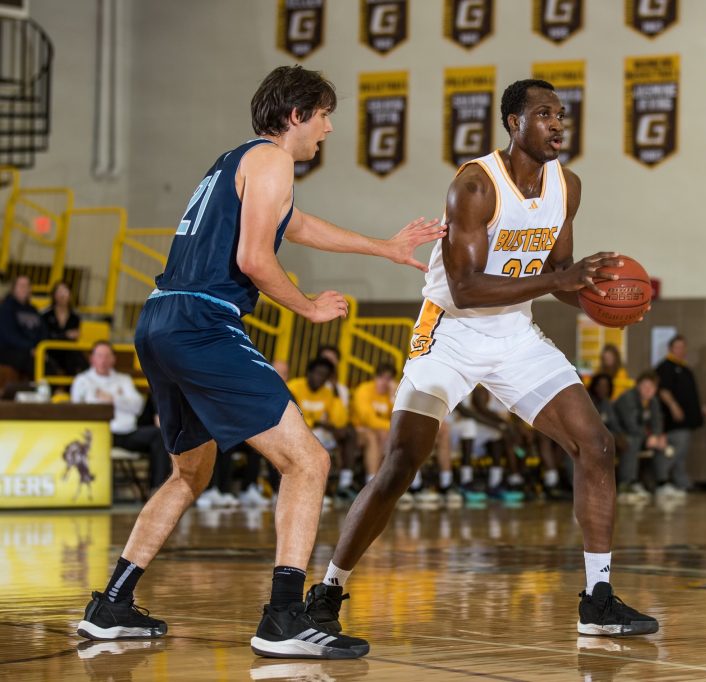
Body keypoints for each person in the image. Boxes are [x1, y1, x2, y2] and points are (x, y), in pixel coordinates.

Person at [74, 65, 443, 661]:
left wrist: (385, 246)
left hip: (161, 320)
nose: (327, 128)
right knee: (309, 460)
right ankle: (283, 617)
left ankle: (112, 603)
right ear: (296, 115)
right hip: (202, 322)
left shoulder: (237, 162)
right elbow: (253, 257)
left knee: (189, 474)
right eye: (323, 115)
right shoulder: (274, 160)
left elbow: (293, 226)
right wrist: (307, 307)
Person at [308, 79, 658, 640]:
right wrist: (559, 280)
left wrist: (596, 297)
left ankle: (597, 597)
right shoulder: (474, 185)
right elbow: (467, 289)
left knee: (596, 444)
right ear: (513, 123)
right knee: (401, 461)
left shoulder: (566, 185)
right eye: (544, 114)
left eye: (561, 114)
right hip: (450, 330)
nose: (557, 124)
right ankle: (326, 591)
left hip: (513, 333)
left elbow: (560, 272)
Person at [70, 341, 171, 491]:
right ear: (92, 358)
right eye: (99, 356)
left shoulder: (124, 380)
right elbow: (79, 409)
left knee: (159, 435)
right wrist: (122, 401)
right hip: (99, 434)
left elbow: (137, 406)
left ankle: (158, 489)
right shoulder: (82, 381)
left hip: (127, 432)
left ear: (113, 359)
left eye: (107, 356)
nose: (103, 360)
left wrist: (112, 399)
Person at [287, 357, 354, 506]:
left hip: (317, 434)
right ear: (309, 373)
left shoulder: (327, 393)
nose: (320, 378)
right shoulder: (294, 387)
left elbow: (339, 420)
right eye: (318, 373)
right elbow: (292, 416)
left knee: (347, 433)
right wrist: (318, 423)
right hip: (294, 432)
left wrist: (335, 390)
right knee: (319, 443)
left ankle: (342, 484)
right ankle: (309, 492)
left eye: (325, 376)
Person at [655, 334, 704, 498]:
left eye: (683, 347)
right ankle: (662, 480)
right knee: (673, 451)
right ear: (670, 349)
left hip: (686, 420)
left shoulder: (684, 368)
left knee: (681, 453)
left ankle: (680, 481)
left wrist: (699, 408)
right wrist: (674, 406)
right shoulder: (665, 367)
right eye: (677, 347)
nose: (681, 350)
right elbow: (663, 391)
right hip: (673, 421)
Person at [613, 372, 667, 504]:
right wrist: (649, 437)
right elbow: (630, 425)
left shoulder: (652, 401)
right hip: (616, 434)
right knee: (631, 442)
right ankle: (627, 484)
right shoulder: (628, 398)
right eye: (645, 386)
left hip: (640, 435)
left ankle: (662, 483)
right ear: (638, 386)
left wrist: (656, 436)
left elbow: (657, 421)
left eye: (652, 387)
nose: (648, 390)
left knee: (662, 443)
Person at [349, 363, 396, 486]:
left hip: (381, 432)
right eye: (381, 378)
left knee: (384, 435)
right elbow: (368, 420)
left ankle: (379, 480)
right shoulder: (364, 390)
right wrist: (393, 427)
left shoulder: (390, 395)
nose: (384, 382)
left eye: (388, 379)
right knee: (376, 436)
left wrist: (393, 398)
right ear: (375, 377)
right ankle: (372, 482)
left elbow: (398, 417)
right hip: (358, 430)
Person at [0, 274, 43, 378]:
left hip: (33, 350)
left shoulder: (34, 310)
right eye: (21, 285)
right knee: (32, 362)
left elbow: (43, 331)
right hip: (9, 350)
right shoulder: (6, 308)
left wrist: (38, 347)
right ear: (13, 288)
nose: (24, 289)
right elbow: (8, 335)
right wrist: (30, 347)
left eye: (27, 286)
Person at [41, 281, 87, 376]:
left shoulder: (75, 317)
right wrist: (65, 335)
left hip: (67, 351)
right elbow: (45, 335)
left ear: (70, 295)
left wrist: (71, 335)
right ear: (54, 295)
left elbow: (73, 338)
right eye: (59, 292)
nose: (62, 295)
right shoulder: (45, 314)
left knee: (78, 358)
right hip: (50, 350)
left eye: (65, 291)